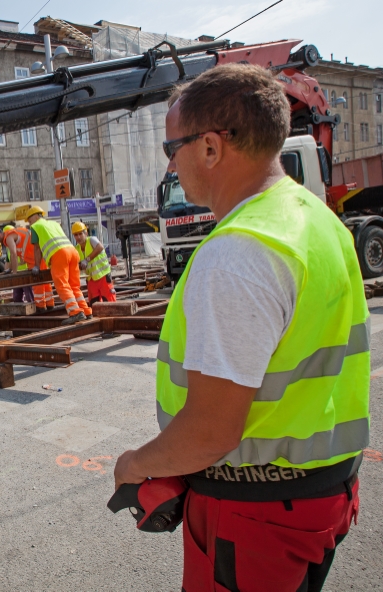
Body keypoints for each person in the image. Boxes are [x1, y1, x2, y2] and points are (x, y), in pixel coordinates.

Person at [113, 64, 368, 592]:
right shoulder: (313, 219)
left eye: (170, 149)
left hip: (254, 513)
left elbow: (210, 431)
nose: (171, 164)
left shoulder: (237, 253)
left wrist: (135, 463)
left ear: (209, 148)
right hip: (321, 494)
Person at [25, 206, 92, 324]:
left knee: (62, 285)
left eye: (29, 221)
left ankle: (75, 312)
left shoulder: (36, 226)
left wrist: (37, 266)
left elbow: (37, 248)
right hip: (72, 252)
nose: (30, 224)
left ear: (35, 217)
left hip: (59, 254)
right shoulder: (54, 223)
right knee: (74, 285)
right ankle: (86, 311)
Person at [0, 225, 47, 310]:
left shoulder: (9, 237)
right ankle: (47, 305)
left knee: (38, 286)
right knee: (42, 285)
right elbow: (13, 255)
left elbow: (14, 254)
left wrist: (15, 274)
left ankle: (40, 307)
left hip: (35, 258)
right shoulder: (11, 236)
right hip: (34, 258)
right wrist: (11, 269)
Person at [72, 221, 116, 304]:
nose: (78, 237)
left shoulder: (92, 240)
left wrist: (87, 259)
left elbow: (100, 247)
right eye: (76, 235)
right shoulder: (77, 248)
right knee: (94, 305)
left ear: (86, 233)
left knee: (110, 302)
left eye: (80, 234)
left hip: (103, 276)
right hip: (91, 279)